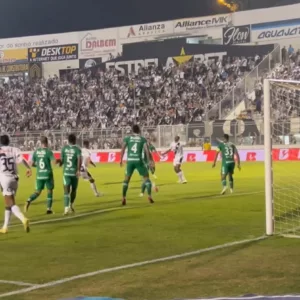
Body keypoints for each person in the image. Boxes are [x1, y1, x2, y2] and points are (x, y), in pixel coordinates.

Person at [0, 135, 32, 234]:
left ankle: (23, 219)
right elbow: (22, 160)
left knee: (11, 203)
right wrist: (28, 168)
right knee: (8, 203)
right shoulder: (15, 149)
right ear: (9, 141)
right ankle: (5, 227)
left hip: (5, 179)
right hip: (15, 179)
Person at [120, 124, 154, 206]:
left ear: (132, 130)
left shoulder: (127, 138)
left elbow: (123, 149)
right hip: (139, 160)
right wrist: (149, 161)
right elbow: (146, 150)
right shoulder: (142, 139)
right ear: (139, 130)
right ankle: (149, 196)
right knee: (146, 178)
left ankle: (123, 197)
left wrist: (120, 160)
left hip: (130, 161)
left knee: (126, 180)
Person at [25, 136, 57, 214]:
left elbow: (31, 164)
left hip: (39, 175)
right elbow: (54, 163)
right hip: (48, 174)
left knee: (37, 192)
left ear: (40, 142)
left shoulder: (36, 152)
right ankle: (48, 209)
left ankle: (29, 200)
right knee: (49, 191)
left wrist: (38, 166)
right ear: (47, 142)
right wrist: (58, 160)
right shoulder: (49, 151)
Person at [60, 134, 82, 215]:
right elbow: (79, 159)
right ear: (75, 140)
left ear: (68, 140)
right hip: (74, 173)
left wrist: (60, 163)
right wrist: (78, 170)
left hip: (66, 173)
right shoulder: (77, 149)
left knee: (66, 191)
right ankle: (71, 204)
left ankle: (66, 208)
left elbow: (62, 160)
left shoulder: (64, 149)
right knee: (74, 189)